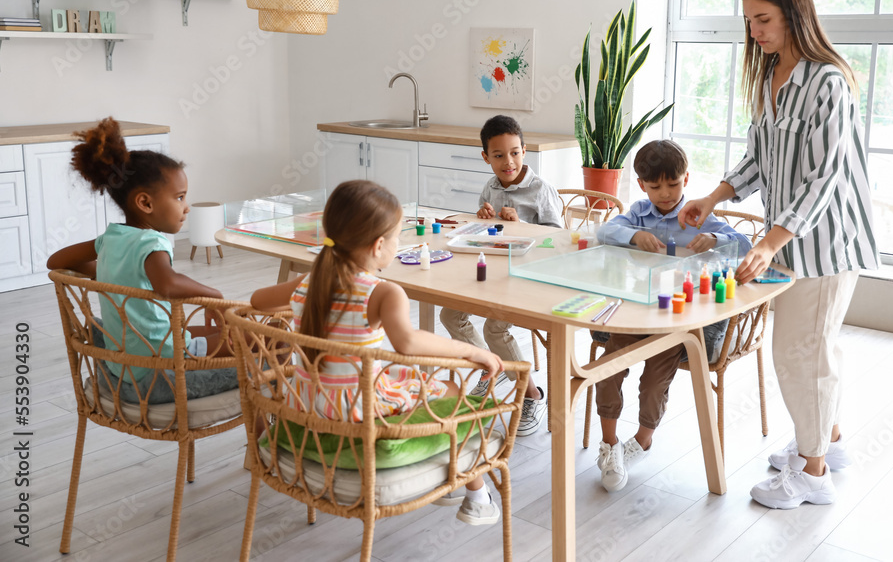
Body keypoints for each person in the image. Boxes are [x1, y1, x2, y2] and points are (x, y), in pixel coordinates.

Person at [678, 0, 880, 509]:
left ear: (794, 14)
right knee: (810, 350)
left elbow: (822, 179)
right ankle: (826, 442)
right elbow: (760, 158)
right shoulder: (771, 78)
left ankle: (813, 474)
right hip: (789, 242)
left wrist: (769, 241)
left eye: (763, 19)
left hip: (824, 244)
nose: (754, 32)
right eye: (748, 21)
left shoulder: (828, 83)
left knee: (801, 353)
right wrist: (713, 197)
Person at [250, 180, 505, 526]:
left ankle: (459, 488)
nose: (400, 243)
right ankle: (476, 496)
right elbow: (409, 343)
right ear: (379, 245)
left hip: (309, 402)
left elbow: (256, 301)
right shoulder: (383, 292)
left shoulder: (309, 281)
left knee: (410, 379)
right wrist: (474, 353)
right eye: (399, 236)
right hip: (358, 409)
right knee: (453, 393)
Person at [592, 139, 753, 492]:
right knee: (607, 371)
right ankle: (609, 444)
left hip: (674, 321)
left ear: (686, 179)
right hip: (634, 312)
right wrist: (634, 234)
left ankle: (643, 440)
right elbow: (602, 232)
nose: (665, 194)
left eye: (673, 184)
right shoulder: (637, 212)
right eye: (655, 186)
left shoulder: (700, 217)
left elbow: (745, 246)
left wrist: (713, 238)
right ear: (641, 186)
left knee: (653, 383)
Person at [46, 117, 238, 404]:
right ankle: (266, 435)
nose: (186, 208)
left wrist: (107, 273)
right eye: (180, 197)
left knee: (225, 332)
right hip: (158, 369)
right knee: (271, 344)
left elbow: (56, 260)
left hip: (127, 364)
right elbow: (168, 284)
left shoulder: (110, 238)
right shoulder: (152, 242)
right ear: (146, 203)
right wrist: (215, 297)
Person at [439, 114, 560, 436]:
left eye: (515, 152)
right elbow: (485, 234)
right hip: (491, 272)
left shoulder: (541, 189)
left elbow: (558, 240)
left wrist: (522, 226)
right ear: (486, 158)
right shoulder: (490, 186)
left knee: (495, 329)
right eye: (499, 155)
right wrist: (483, 217)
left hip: (527, 276)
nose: (509, 161)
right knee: (450, 315)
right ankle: (489, 370)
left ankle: (531, 393)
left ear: (524, 151)